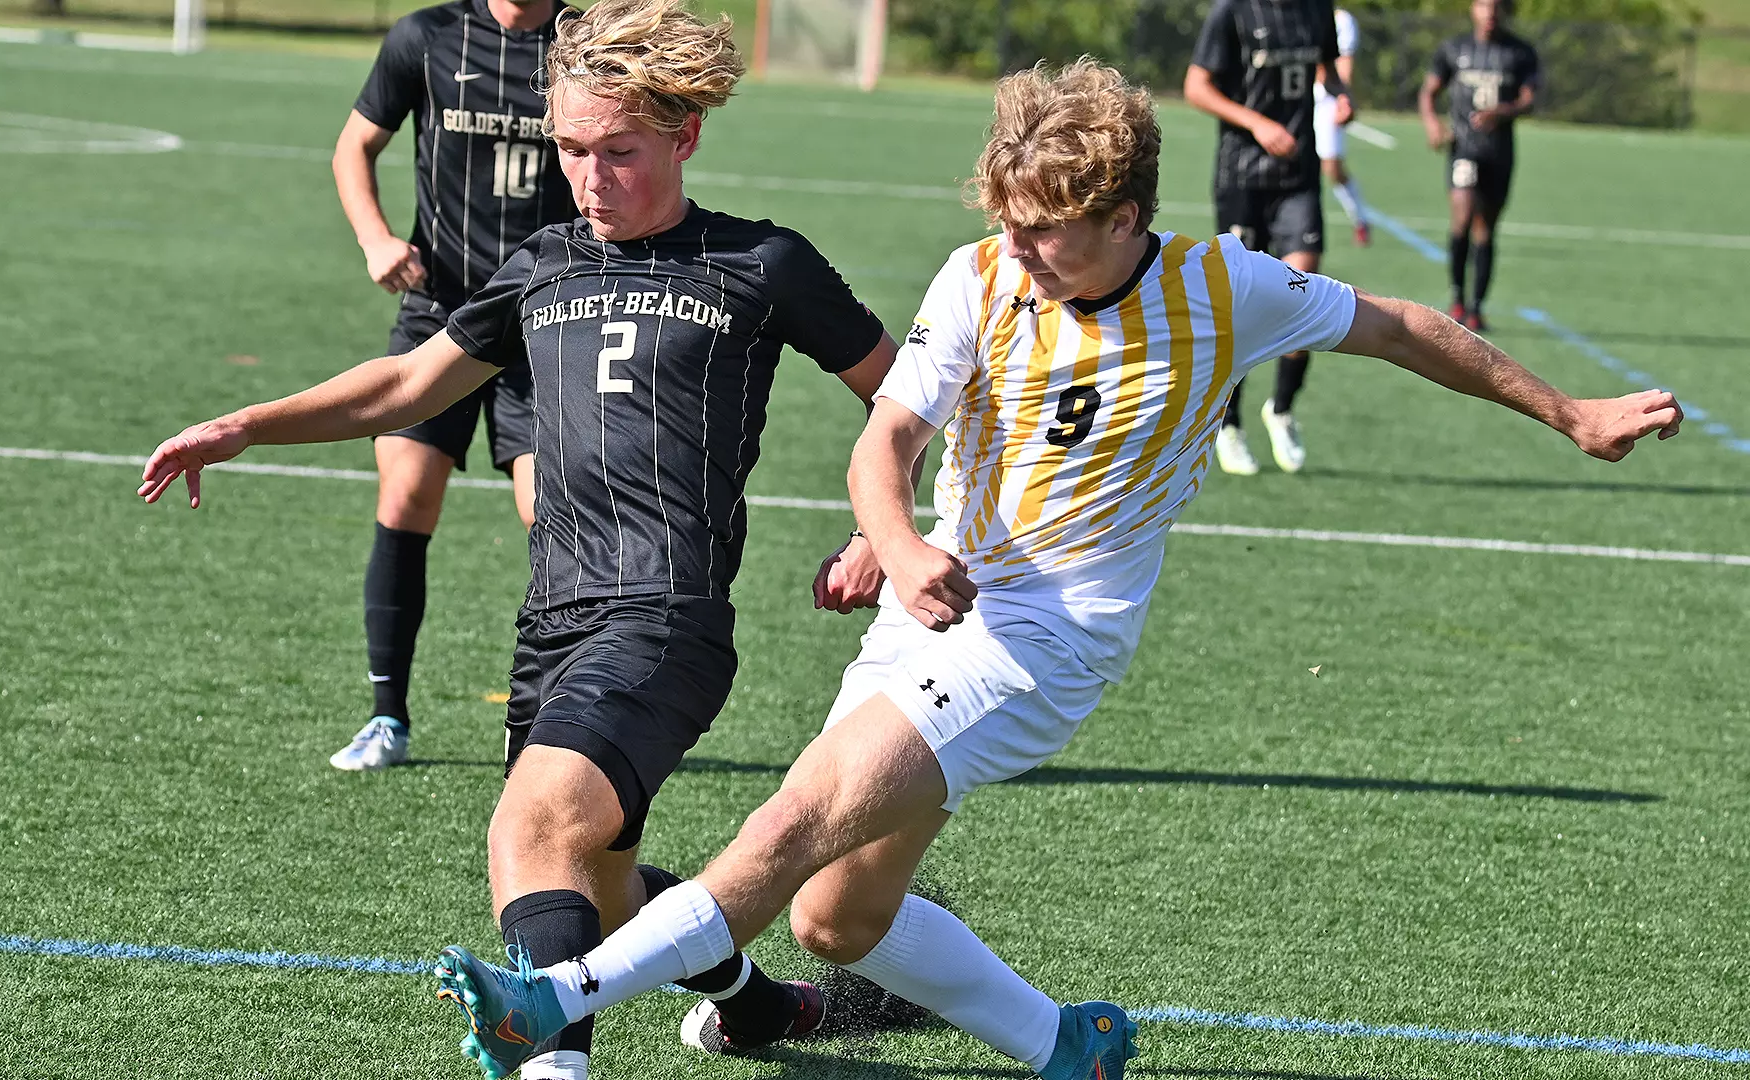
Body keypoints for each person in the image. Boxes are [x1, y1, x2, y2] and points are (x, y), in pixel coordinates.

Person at [430, 57, 1684, 1080]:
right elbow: (886, 442)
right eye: (1011, 228)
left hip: (1047, 641)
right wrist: (904, 542)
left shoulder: (1225, 287)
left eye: (1051, 235)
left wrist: (1567, 410)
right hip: (935, 609)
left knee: (792, 820)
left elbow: (1409, 330)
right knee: (835, 918)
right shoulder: (979, 277)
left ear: (1127, 217)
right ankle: (1065, 1045)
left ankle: (551, 1001)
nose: (1022, 255)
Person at [138, 2, 900, 1076]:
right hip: (551, 623)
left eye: (619, 153)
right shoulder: (544, 265)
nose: (591, 178)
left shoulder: (761, 265)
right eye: (574, 151)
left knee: (529, 831)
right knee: (598, 880)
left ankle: (553, 1063)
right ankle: (761, 1008)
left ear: (683, 136)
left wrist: (885, 532)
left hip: (665, 618)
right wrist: (246, 425)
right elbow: (408, 384)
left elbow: (905, 401)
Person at [327, 0, 578, 773]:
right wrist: (376, 240)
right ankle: (386, 716)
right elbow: (353, 147)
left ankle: (549, 723)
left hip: (545, 315)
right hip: (440, 310)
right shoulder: (426, 35)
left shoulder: (583, 40)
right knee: (405, 492)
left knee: (552, 519)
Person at [1185, 0, 1353, 475]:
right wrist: (1256, 122)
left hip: (1298, 176)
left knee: (1302, 290)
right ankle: (1230, 423)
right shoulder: (1232, 12)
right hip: (1242, 176)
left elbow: (1328, 70)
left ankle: (1280, 409)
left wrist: (1341, 97)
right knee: (1240, 305)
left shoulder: (1317, 10)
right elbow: (1196, 87)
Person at [1420, 0, 1541, 332]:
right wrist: (1433, 125)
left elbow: (1529, 100)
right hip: (1463, 148)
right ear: (1473, 9)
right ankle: (1457, 298)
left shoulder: (1520, 53)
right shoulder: (1454, 49)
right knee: (1461, 217)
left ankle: (1476, 308)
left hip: (1499, 153)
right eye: (1484, 5)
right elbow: (1428, 92)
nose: (1490, 13)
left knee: (1485, 229)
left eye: (1497, 6)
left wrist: (1503, 111)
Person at [1316, 6, 1371, 247]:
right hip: (1296, 99)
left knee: (1332, 168)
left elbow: (1344, 62)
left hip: (1327, 100)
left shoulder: (1341, 20)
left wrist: (1342, 97)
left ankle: (1360, 218)